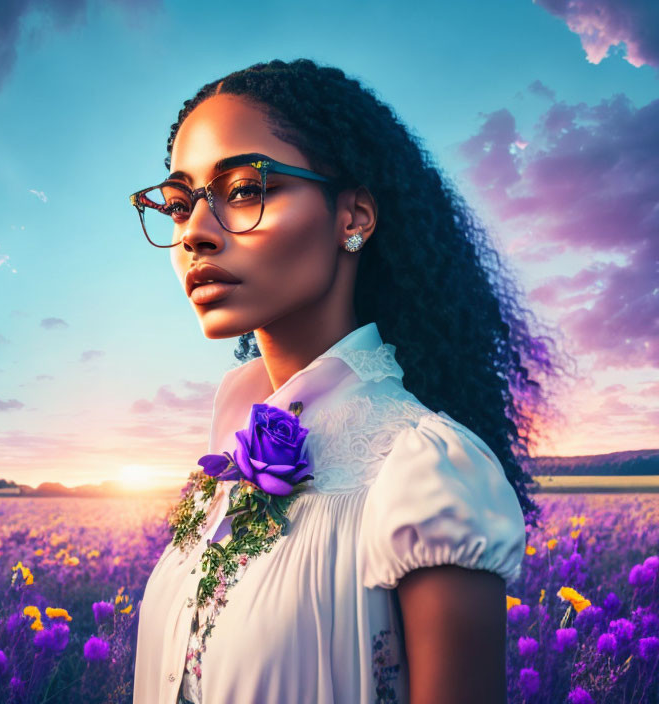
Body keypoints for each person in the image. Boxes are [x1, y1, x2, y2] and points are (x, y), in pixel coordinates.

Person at [129, 58, 571, 704]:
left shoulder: (427, 472)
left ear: (354, 217)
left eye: (245, 190)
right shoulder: (227, 451)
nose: (195, 232)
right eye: (176, 205)